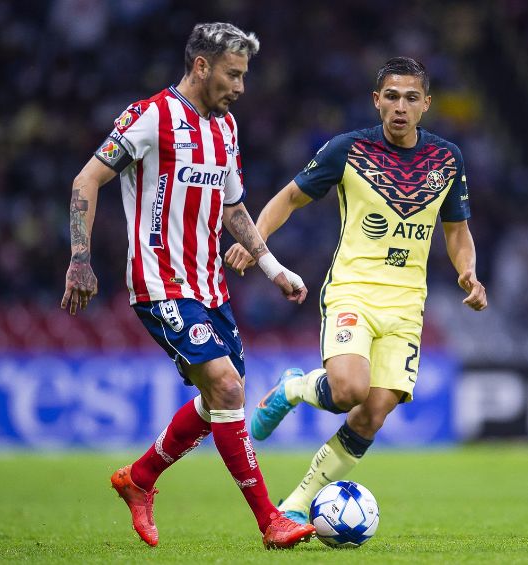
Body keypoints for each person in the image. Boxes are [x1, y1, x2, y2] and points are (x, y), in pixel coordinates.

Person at [60, 22, 316, 549]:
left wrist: (274, 269)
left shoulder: (226, 128)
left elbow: (234, 207)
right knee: (225, 386)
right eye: (233, 74)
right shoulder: (150, 116)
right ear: (201, 66)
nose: (241, 87)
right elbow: (86, 179)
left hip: (211, 287)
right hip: (159, 282)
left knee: (223, 396)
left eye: (245, 76)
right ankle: (271, 520)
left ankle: (140, 479)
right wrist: (79, 260)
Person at [226, 56, 488, 522]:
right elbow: (290, 196)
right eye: (391, 97)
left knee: (373, 413)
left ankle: (297, 505)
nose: (400, 107)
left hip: (407, 305)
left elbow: (456, 231)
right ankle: (292, 389)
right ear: (376, 101)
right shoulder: (347, 150)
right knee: (348, 390)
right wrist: (255, 242)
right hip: (354, 291)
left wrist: (468, 272)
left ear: (426, 104)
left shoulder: (447, 160)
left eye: (411, 98)